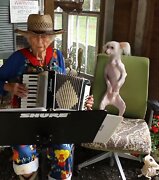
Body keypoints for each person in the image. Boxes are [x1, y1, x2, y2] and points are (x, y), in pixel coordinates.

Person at [0, 14, 93, 180]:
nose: (41, 41)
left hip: (55, 121)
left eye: (45, 36)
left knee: (64, 149)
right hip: (24, 120)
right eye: (35, 36)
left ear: (52, 37)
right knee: (24, 155)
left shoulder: (58, 57)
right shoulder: (18, 58)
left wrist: (83, 101)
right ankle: (30, 176)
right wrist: (9, 86)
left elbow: (65, 87)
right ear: (28, 37)